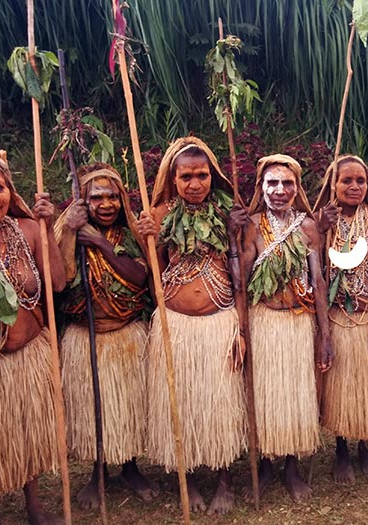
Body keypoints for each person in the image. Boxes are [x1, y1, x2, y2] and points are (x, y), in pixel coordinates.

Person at [135, 136, 247, 515]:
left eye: (202, 175)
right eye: (186, 177)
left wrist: (241, 331)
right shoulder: (159, 215)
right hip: (177, 326)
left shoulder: (227, 211)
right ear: (173, 178)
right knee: (182, 403)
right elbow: (153, 271)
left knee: (221, 404)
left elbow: (240, 274)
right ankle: (190, 479)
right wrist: (146, 236)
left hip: (219, 323)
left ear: (213, 176)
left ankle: (225, 479)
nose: (195, 184)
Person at [0, 145, 66, 524]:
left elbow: (57, 283)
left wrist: (47, 228)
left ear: (10, 191)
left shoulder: (29, 230)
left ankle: (34, 505)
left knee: (29, 433)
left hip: (31, 354)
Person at [229, 154, 332, 502]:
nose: (280, 190)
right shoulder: (252, 226)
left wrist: (325, 335)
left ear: (297, 187)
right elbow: (241, 283)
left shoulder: (308, 227)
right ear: (261, 187)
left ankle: (291, 466)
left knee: (296, 395)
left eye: (287, 183)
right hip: (264, 322)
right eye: (272, 183)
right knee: (265, 395)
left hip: (298, 322)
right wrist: (241, 330)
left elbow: (318, 281)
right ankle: (264, 464)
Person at [54, 162, 157, 508]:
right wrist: (71, 232)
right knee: (92, 409)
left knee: (129, 406)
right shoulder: (67, 232)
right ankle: (98, 472)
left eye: (113, 196)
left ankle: (130, 467)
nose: (107, 204)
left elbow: (141, 278)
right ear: (83, 201)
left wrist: (101, 244)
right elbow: (59, 282)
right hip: (84, 338)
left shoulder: (130, 234)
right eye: (97, 197)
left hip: (126, 334)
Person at [314, 155, 368, 484]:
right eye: (346, 180)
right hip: (338, 318)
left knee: (367, 388)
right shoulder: (323, 222)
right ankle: (341, 450)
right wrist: (320, 228)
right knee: (340, 389)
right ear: (332, 185)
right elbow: (315, 272)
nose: (354, 186)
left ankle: (364, 446)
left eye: (360, 180)